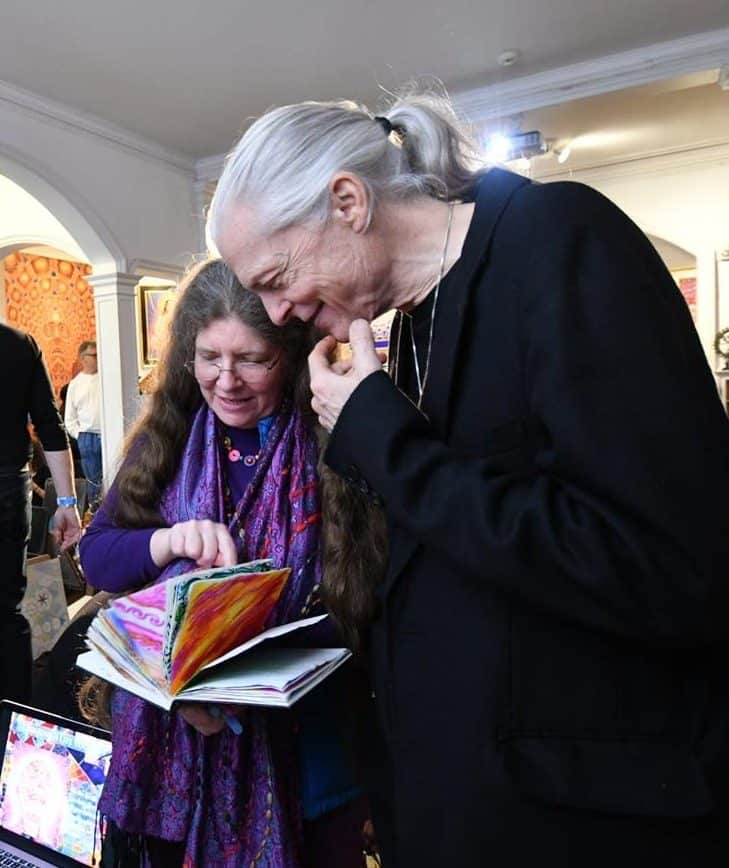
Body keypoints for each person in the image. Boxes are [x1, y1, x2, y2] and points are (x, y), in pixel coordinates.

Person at [208, 89, 729, 867]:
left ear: (346, 201)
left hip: (582, 819)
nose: (277, 313)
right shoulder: (413, 321)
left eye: (277, 276)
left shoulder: (556, 238)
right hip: (460, 807)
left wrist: (383, 439)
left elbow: (669, 567)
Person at [78, 259, 366, 867]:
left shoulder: (336, 440)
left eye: (252, 359)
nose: (226, 380)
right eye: (209, 357)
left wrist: (251, 685)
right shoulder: (171, 438)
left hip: (309, 748)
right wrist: (170, 541)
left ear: (291, 355)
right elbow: (99, 559)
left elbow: (365, 595)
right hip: (172, 750)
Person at [0, 323, 81, 703]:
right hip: (7, 490)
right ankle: (11, 727)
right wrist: (67, 503)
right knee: (6, 614)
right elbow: (50, 425)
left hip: (7, 487)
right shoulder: (19, 344)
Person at [64, 340, 102, 507]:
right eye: (94, 355)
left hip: (108, 433)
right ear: (83, 358)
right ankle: (96, 519)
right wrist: (80, 435)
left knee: (115, 477)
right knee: (94, 483)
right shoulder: (75, 385)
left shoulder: (106, 378)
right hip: (87, 437)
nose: (97, 358)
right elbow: (69, 419)